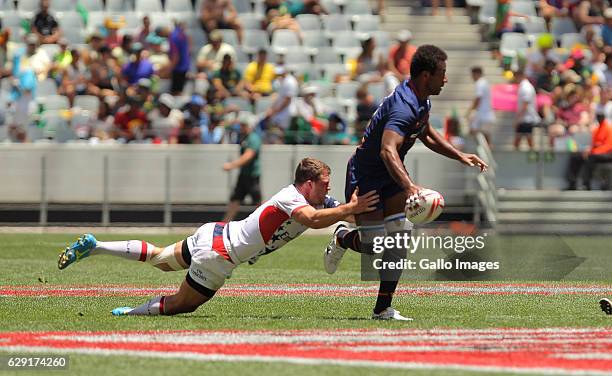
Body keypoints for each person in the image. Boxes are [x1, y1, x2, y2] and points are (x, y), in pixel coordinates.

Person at [57, 158, 379, 316]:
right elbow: (312, 219)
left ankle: (96, 246)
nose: (328, 188)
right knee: (183, 306)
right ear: (307, 183)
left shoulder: (321, 201)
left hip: (214, 232)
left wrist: (371, 216)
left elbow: (343, 214)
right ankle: (129, 313)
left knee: (160, 260)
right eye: (324, 183)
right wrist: (348, 210)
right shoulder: (291, 197)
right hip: (221, 253)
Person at [323, 45, 488, 321]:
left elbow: (426, 133)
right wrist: (411, 187)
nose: (445, 79)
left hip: (392, 174)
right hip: (367, 177)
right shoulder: (404, 106)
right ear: (426, 76)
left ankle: (383, 308)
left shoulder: (421, 98)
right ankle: (342, 237)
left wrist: (459, 156)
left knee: (400, 237)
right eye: (442, 74)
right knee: (373, 247)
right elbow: (387, 150)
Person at [222, 114, 262, 221]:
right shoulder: (245, 137)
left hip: (252, 176)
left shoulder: (253, 138)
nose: (241, 127)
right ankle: (224, 224)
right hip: (244, 175)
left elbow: (248, 156)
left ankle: (265, 223)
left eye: (244, 125)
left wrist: (232, 165)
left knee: (258, 203)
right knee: (235, 199)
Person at [566, 104, 612, 190]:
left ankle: (586, 184)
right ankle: (572, 183)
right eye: (598, 116)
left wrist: (593, 152)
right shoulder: (597, 129)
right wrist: (589, 150)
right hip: (597, 153)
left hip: (608, 154)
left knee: (591, 157)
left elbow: (609, 146)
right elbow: (594, 144)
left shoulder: (609, 128)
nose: (599, 118)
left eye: (601, 116)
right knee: (575, 157)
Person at [466, 66, 495, 146]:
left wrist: (470, 110)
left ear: (476, 74)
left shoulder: (480, 83)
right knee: (482, 135)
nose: (471, 77)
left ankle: (481, 151)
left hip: (483, 114)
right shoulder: (484, 82)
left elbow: (478, 98)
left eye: (472, 75)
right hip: (484, 113)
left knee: (481, 134)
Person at [513, 69, 541, 150]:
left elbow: (525, 104)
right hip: (525, 118)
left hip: (526, 118)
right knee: (522, 139)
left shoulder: (525, 87)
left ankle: (535, 158)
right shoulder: (525, 86)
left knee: (525, 139)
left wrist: (517, 118)